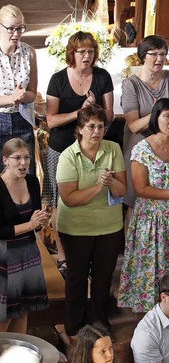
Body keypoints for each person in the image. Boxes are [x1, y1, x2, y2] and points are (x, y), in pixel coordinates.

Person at [45, 31, 115, 279]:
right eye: (81, 51)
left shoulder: (102, 77)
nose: (87, 56)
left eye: (90, 51)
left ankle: (90, 254)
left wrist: (94, 109)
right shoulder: (58, 79)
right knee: (59, 202)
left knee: (93, 196)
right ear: (71, 53)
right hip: (62, 147)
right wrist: (79, 112)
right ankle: (64, 257)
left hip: (92, 147)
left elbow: (109, 116)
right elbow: (51, 120)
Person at [118, 99, 169, 313]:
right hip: (150, 219)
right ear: (156, 118)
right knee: (149, 266)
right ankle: (148, 314)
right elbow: (140, 188)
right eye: (167, 116)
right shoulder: (142, 149)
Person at [57, 105, 126, 337]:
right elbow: (69, 199)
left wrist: (110, 182)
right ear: (80, 129)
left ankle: (98, 321)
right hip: (76, 228)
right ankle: (74, 326)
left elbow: (121, 191)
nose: (97, 131)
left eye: (100, 126)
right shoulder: (68, 156)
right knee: (76, 278)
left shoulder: (113, 149)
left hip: (108, 227)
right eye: (91, 127)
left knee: (102, 278)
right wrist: (99, 185)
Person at [121, 35, 169, 222]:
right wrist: (162, 111)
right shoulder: (131, 84)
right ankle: (132, 249)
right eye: (154, 54)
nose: (159, 59)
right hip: (140, 148)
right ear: (143, 56)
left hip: (168, 149)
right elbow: (134, 125)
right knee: (135, 202)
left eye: (163, 54)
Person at [0, 138, 48, 333]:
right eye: (17, 158)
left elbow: (35, 224)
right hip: (5, 256)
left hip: (28, 252)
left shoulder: (32, 181)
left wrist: (41, 221)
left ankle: (19, 354)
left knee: (23, 310)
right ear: (5, 161)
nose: (23, 163)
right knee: (4, 315)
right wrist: (30, 224)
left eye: (27, 158)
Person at [0, 5, 37, 174]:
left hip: (21, 119)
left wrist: (22, 96)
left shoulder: (29, 52)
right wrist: (11, 98)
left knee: (26, 173)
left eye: (20, 28)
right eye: (11, 29)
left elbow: (32, 93)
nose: (16, 34)